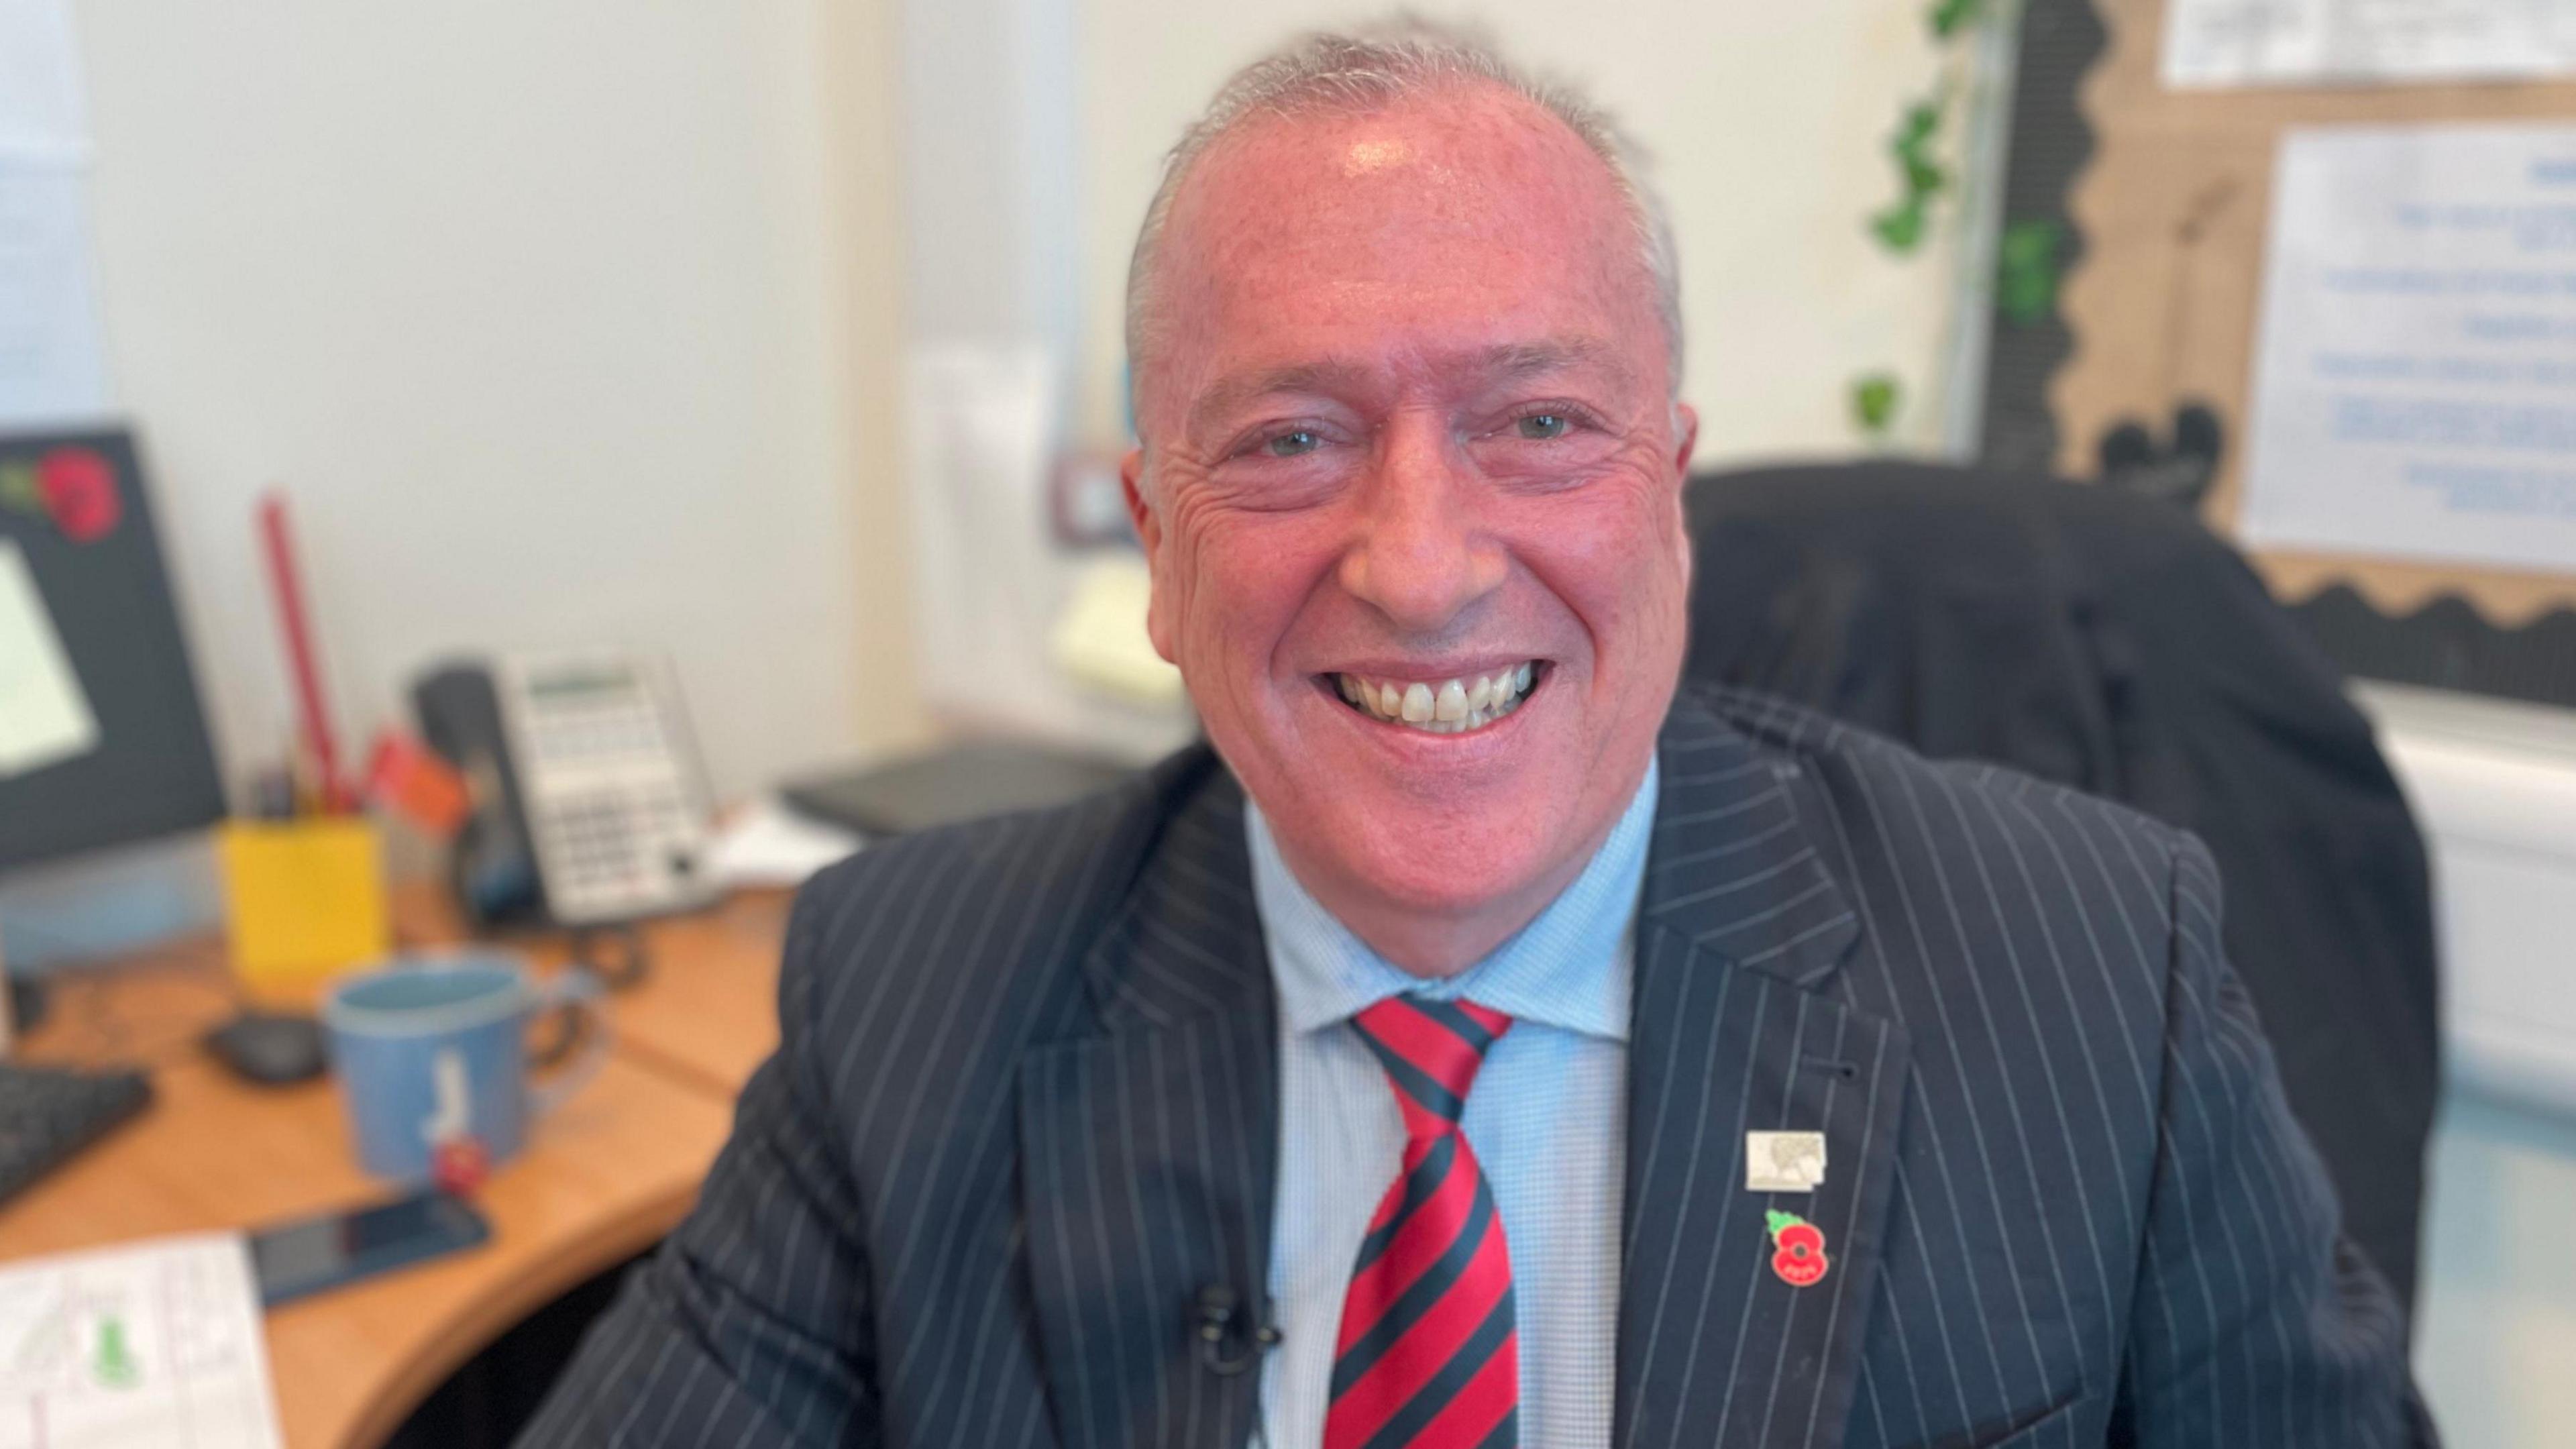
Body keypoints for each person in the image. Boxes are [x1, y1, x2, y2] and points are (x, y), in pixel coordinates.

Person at [525, 22, 2432, 1448]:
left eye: (1536, 424)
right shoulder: (911, 994)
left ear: (1668, 494)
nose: (1423, 570)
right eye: (1290, 438)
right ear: (1158, 545)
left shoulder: (2097, 972)